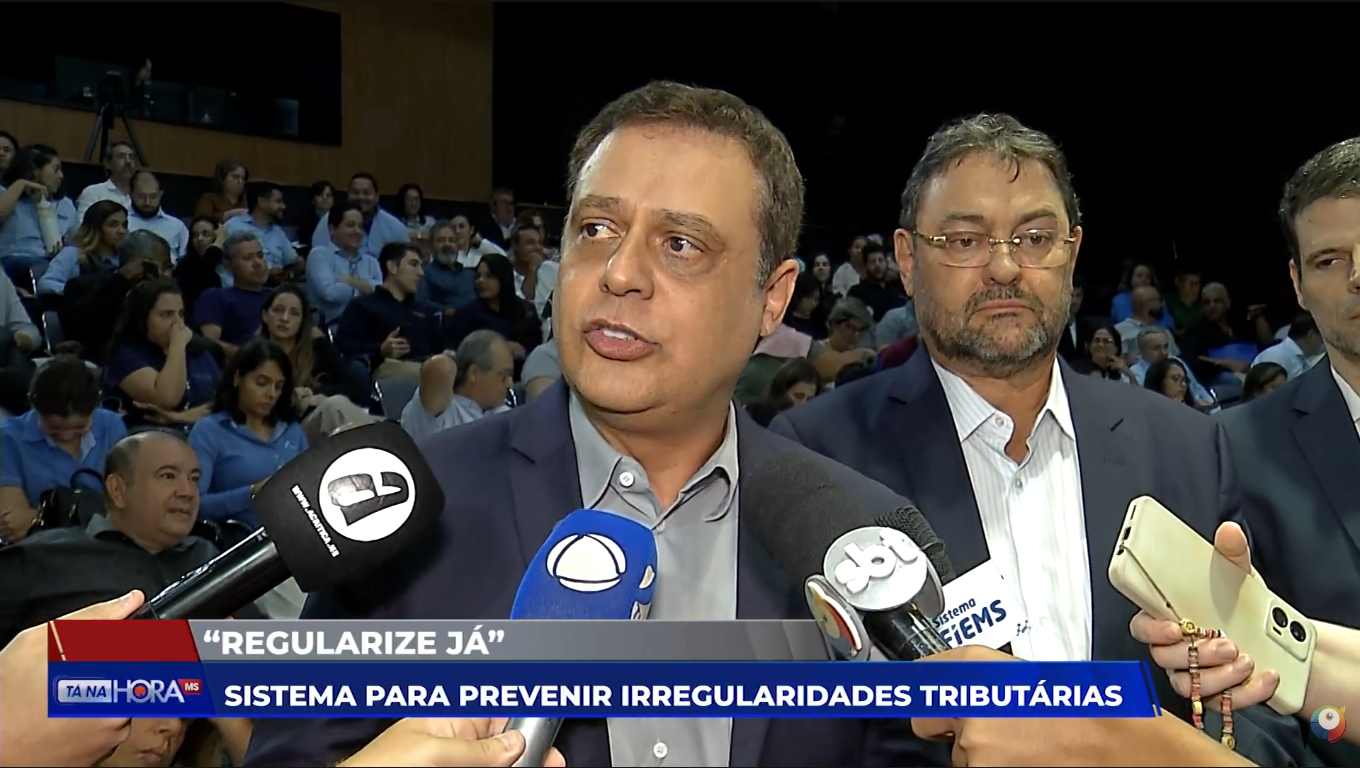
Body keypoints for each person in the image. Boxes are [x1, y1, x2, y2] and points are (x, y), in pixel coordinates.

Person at [246, 80, 944, 768]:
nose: (619, 273)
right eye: (596, 229)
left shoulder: (862, 545)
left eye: (680, 243)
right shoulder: (410, 517)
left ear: (773, 297)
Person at [770, 112, 1305, 765]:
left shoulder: (1187, 448)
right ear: (907, 261)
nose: (1004, 267)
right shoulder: (815, 456)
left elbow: (1268, 713)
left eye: (1034, 237)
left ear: (1071, 256)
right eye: (965, 240)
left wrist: (1210, 712)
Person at [1141, 137, 1360, 768]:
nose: (1358, 276)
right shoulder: (1238, 447)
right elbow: (1247, 692)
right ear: (1297, 283)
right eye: (1329, 260)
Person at [0, 355, 126, 541]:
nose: (66, 436)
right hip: (44, 549)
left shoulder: (111, 426)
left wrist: (41, 518)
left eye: (79, 427)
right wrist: (92, 518)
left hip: (110, 544)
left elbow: (128, 505)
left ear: (94, 409)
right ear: (34, 406)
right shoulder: (9, 438)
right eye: (53, 427)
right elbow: (14, 525)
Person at [189, 339, 308, 530]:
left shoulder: (292, 430)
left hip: (300, 533)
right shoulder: (209, 431)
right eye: (262, 383)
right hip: (243, 538)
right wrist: (252, 493)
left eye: (278, 386)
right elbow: (194, 505)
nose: (271, 394)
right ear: (237, 379)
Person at [103, 280, 220, 431]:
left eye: (181, 314)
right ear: (142, 319)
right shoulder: (124, 355)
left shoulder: (198, 352)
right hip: (149, 437)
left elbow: (225, 401)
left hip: (202, 435)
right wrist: (177, 345)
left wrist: (181, 417)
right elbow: (167, 398)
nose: (178, 323)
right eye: (167, 315)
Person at [401, 330, 513, 441]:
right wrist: (454, 361)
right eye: (503, 375)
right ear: (474, 373)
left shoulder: (500, 411)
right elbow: (440, 367)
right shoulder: (440, 410)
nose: (509, 384)